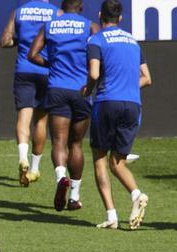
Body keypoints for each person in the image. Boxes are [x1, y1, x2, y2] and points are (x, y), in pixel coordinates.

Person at [83, 0, 151, 230]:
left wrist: (88, 89)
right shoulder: (133, 41)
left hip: (107, 102)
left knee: (100, 157)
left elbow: (93, 72)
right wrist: (127, 86)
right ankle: (136, 194)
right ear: (121, 18)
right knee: (118, 161)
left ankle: (111, 214)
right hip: (133, 104)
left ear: (101, 15)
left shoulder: (96, 39)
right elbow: (147, 78)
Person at [28, 0, 98, 211]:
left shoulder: (50, 25)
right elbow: (100, 55)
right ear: (81, 6)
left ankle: (61, 178)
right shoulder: (89, 26)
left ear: (62, 6)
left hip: (57, 88)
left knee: (59, 140)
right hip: (81, 89)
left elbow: (32, 54)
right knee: (76, 143)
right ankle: (74, 196)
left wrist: (51, 64)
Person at [0, 0, 55, 187]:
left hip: (24, 69)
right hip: (46, 70)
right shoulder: (56, 12)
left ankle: (22, 158)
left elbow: (5, 41)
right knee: (41, 120)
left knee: (24, 116)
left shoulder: (20, 11)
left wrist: (20, 41)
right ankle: (34, 168)